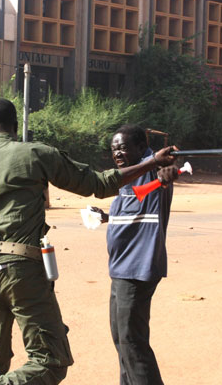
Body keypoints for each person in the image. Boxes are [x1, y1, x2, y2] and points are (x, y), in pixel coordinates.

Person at [0, 99, 178, 385]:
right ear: (16, 127)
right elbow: (98, 185)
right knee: (51, 361)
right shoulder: (36, 154)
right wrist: (152, 161)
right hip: (23, 270)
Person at [90, 125, 178, 385]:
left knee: (132, 342)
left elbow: (165, 174)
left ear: (142, 148)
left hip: (137, 267)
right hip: (120, 268)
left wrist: (166, 166)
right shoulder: (127, 177)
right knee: (121, 339)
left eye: (124, 147)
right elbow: (134, 207)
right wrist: (106, 217)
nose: (118, 152)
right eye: (114, 148)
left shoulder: (150, 170)